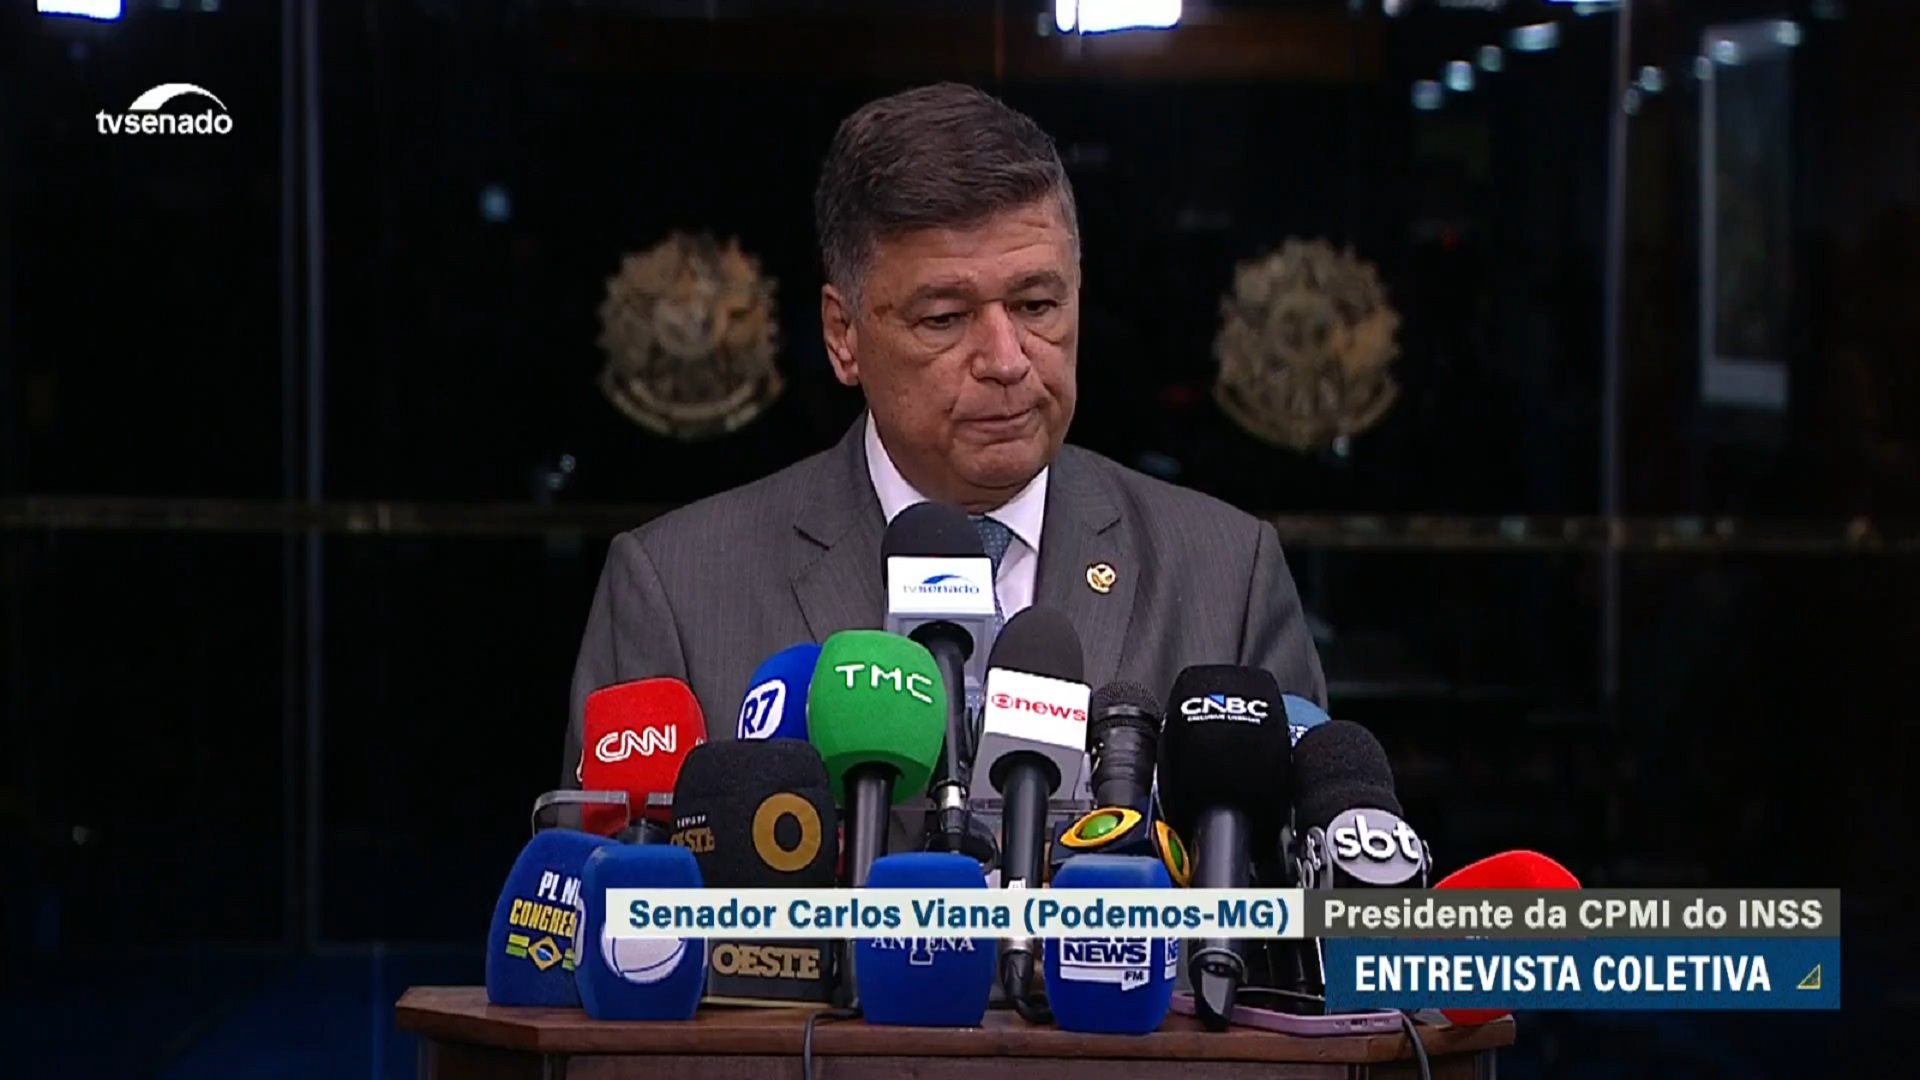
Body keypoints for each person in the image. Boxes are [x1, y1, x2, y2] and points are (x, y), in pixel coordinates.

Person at [564, 82, 1325, 793]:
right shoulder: (676, 590)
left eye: (1036, 305)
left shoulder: (1228, 577)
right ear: (842, 335)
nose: (1006, 359)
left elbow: (1295, 882)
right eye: (944, 319)